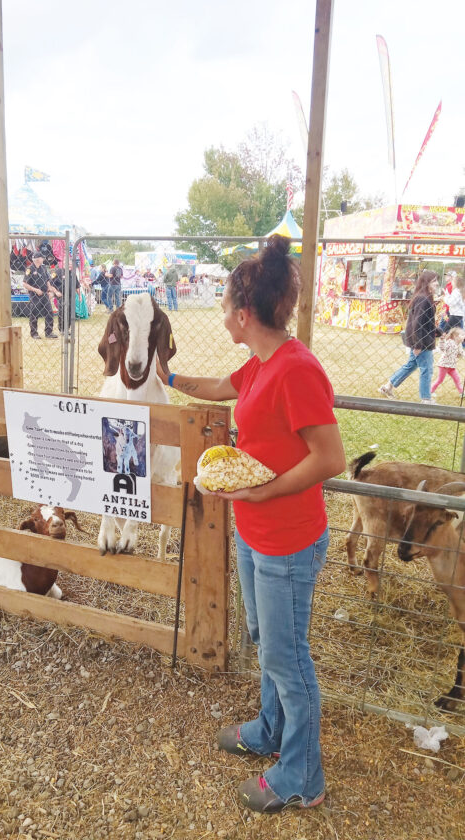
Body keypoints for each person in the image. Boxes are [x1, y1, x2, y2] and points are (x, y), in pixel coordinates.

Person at [156, 235, 345, 814]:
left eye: (224, 309)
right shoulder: (262, 362)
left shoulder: (295, 369)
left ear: (244, 315)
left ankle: (301, 777)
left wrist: (262, 490)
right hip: (255, 531)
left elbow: (329, 457)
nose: (220, 316)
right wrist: (172, 378)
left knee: (288, 658)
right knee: (266, 642)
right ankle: (269, 728)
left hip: (287, 539)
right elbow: (224, 388)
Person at [378, 270, 440, 404]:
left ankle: (387, 387)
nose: (437, 283)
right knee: (427, 369)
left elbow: (425, 323)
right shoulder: (423, 299)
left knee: (411, 365)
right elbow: (417, 324)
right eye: (434, 281)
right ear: (427, 283)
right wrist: (418, 345)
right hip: (422, 342)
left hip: (420, 340)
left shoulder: (423, 298)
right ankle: (426, 398)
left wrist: (439, 332)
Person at [23, 253, 56, 339]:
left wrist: (49, 290)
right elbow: (24, 284)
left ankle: (49, 332)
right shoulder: (29, 269)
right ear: (38, 259)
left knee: (49, 312)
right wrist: (35, 290)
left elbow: (47, 280)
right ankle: (34, 333)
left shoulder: (43, 268)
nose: (43, 259)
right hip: (34, 295)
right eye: (42, 258)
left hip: (45, 294)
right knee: (34, 314)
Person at [431, 326, 465, 397]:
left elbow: (461, 353)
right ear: (455, 336)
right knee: (440, 380)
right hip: (444, 366)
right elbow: (442, 348)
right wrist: (442, 340)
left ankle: (462, 393)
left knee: (457, 379)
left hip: (452, 366)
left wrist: (461, 355)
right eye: (462, 335)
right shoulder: (450, 342)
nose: (464, 336)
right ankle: (430, 391)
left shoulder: (459, 344)